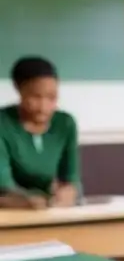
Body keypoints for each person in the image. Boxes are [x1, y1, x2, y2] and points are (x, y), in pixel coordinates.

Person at [0, 56, 79, 208]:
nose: (44, 107)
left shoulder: (65, 124)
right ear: (19, 89)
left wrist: (67, 194)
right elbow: (4, 188)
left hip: (50, 211)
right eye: (36, 97)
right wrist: (24, 201)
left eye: (52, 97)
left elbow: (70, 179)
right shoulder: (3, 123)